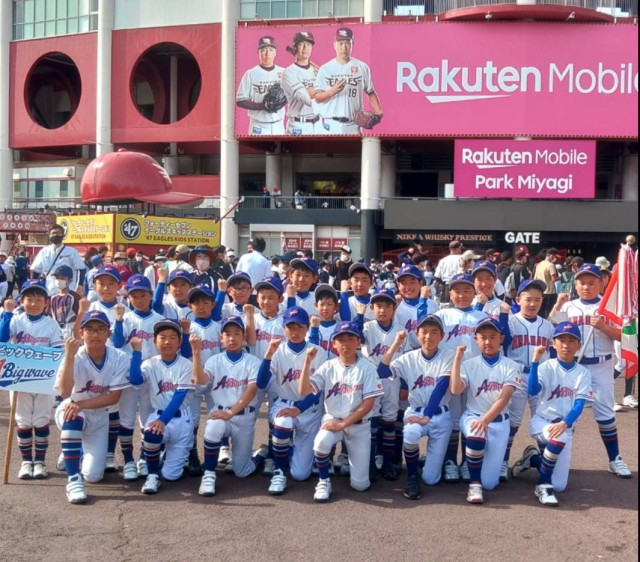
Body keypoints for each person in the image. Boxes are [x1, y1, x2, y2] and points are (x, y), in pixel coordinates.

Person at [548, 263, 631, 478]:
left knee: (605, 414)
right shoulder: (569, 307)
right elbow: (550, 329)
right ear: (575, 285)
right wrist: (557, 305)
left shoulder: (609, 307)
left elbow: (625, 337)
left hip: (602, 366)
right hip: (574, 366)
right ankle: (560, 459)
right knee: (567, 413)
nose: (586, 287)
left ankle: (615, 459)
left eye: (592, 282)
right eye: (582, 282)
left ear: (601, 284)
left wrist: (604, 327)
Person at [299, 321, 384, 502]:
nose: (346, 343)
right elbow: (304, 390)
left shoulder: (368, 367)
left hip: (359, 426)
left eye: (350, 338)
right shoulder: (328, 366)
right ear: (334, 344)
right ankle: (324, 481)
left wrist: (344, 424)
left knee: (360, 485)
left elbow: (369, 404)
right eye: (341, 339)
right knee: (321, 442)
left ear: (358, 342)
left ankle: (355, 472)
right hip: (333, 419)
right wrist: (306, 363)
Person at [511, 323, 593, 507]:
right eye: (561, 340)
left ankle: (532, 459)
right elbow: (532, 390)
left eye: (571, 341)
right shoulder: (546, 366)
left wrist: (565, 423)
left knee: (560, 485)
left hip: (564, 427)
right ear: (553, 344)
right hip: (542, 422)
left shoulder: (583, 373)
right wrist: (534, 362)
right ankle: (543, 485)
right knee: (558, 439)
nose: (566, 345)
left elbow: (579, 404)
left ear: (579, 345)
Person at [54, 311, 130, 503]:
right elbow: (64, 391)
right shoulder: (74, 355)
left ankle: (75, 451)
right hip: (70, 408)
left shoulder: (120, 357)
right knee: (73, 418)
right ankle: (73, 479)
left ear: (108, 333)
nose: (95, 334)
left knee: (94, 476)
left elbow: (113, 397)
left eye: (100, 329)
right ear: (81, 333)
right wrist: (69, 357)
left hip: (98, 416)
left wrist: (80, 404)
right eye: (90, 329)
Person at [378, 315, 455, 500]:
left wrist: (427, 416)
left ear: (442, 336)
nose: (428, 336)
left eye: (434, 332)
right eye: (424, 332)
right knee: (411, 433)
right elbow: (382, 371)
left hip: (440, 415)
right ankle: (412, 475)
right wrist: (395, 344)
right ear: (417, 334)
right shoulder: (408, 358)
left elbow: (441, 387)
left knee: (431, 479)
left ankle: (425, 464)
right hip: (415, 412)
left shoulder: (449, 355)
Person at [192, 316, 267, 496]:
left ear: (244, 337)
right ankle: (209, 475)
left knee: (242, 471)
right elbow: (201, 381)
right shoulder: (214, 360)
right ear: (221, 338)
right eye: (227, 334)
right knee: (214, 425)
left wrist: (231, 413)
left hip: (244, 417)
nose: (232, 338)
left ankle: (262, 453)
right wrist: (196, 353)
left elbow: (251, 391)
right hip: (221, 414)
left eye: (237, 333)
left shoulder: (253, 361)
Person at [450, 318, 521, 504]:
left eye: (493, 337)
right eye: (483, 337)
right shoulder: (469, 364)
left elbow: (504, 398)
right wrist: (457, 360)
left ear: (501, 338)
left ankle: (477, 471)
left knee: (490, 483)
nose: (488, 342)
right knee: (476, 433)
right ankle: (474, 485)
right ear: (476, 339)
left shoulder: (511, 366)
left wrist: (485, 420)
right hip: (473, 416)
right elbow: (456, 390)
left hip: (499, 422)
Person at [256, 306, 325, 495]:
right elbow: (261, 383)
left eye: (299, 327)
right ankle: (279, 472)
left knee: (300, 474)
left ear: (307, 328)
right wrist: (267, 356)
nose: (295, 332)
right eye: (290, 327)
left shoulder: (318, 352)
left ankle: (284, 450)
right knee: (283, 422)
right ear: (284, 328)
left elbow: (318, 390)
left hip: (309, 409)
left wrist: (299, 409)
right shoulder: (277, 350)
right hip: (284, 404)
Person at [0, 279, 63, 480]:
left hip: (44, 380)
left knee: (41, 421)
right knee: (24, 421)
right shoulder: (16, 320)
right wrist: (7, 313)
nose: (34, 303)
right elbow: (2, 340)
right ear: (21, 300)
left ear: (46, 302)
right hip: (19, 379)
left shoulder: (51, 324)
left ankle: (40, 461)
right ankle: (27, 461)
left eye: (38, 299)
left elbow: (57, 352)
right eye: (29, 299)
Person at [112, 274, 165, 481]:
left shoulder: (159, 320)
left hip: (151, 376)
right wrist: (118, 320)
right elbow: (117, 343)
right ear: (129, 297)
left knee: (147, 419)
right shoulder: (125, 318)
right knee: (126, 420)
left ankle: (144, 458)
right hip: (128, 374)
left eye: (143, 295)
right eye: (134, 296)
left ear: (150, 295)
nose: (139, 299)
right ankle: (128, 461)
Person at [134, 320, 197, 494]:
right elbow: (136, 380)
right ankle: (152, 475)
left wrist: (163, 420)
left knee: (171, 475)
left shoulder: (186, 364)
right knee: (151, 433)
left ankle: (163, 455)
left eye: (172, 337)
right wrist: (137, 352)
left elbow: (179, 396)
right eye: (162, 337)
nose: (167, 341)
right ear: (155, 341)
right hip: (158, 415)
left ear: (180, 342)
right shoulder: (149, 363)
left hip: (182, 419)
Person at [500, 279, 554, 480]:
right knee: (512, 422)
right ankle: (503, 461)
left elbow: (553, 357)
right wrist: (503, 316)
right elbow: (504, 342)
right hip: (517, 375)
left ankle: (545, 461)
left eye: (537, 300)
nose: (532, 304)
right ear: (518, 300)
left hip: (540, 376)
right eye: (528, 299)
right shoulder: (511, 322)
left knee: (543, 419)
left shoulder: (548, 326)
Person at [314, 27, 382, 135]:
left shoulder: (362, 67)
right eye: (340, 43)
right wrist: (331, 92)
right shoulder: (325, 69)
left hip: (353, 125)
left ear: (352, 44)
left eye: (347, 43)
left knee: (355, 147)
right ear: (334, 45)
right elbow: (317, 98)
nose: (344, 47)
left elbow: (370, 91)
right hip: (331, 124)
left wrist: (379, 112)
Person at [236, 36, 286, 136]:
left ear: (275, 52)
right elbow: (240, 100)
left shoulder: (284, 72)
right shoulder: (250, 74)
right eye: (263, 50)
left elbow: (293, 95)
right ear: (258, 52)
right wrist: (262, 106)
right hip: (258, 126)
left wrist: (282, 100)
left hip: (278, 125)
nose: (267, 54)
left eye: (271, 50)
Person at [282, 31, 321, 135]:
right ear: (295, 48)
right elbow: (306, 98)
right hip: (298, 125)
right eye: (301, 44)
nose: (305, 48)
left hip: (318, 124)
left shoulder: (317, 71)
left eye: (308, 44)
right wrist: (325, 84)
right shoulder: (289, 72)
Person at [30, 224, 86, 296]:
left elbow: (82, 269)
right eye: (53, 233)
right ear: (49, 235)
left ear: (63, 235)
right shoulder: (44, 251)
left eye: (58, 233)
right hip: (49, 291)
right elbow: (36, 270)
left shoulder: (71, 252)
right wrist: (35, 286)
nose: (55, 235)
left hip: (67, 292)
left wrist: (80, 286)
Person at [49, 265, 81, 340]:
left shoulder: (74, 296)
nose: (59, 280)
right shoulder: (53, 298)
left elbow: (80, 315)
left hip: (70, 330)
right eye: (57, 278)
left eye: (62, 278)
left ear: (70, 280)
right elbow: (50, 315)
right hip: (56, 329)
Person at [534, 249, 560, 318]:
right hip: (550, 292)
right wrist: (561, 277)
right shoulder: (551, 265)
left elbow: (535, 278)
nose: (555, 258)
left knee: (540, 310)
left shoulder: (539, 264)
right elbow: (554, 279)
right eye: (554, 256)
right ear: (551, 256)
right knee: (549, 311)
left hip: (541, 291)